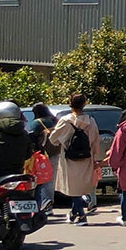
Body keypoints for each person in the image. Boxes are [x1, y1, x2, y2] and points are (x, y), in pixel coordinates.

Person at [48, 94, 100, 225]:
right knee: (80, 187)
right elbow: (95, 141)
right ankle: (74, 213)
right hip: (86, 158)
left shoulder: (65, 120)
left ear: (70, 103)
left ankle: (82, 216)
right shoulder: (91, 121)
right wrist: (94, 157)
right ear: (84, 104)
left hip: (69, 158)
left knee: (72, 188)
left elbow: (53, 139)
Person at [24, 103, 56, 210]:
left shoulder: (37, 123)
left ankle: (43, 203)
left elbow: (31, 137)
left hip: (41, 155)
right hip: (55, 152)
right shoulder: (54, 120)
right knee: (50, 179)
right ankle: (49, 203)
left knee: (39, 179)